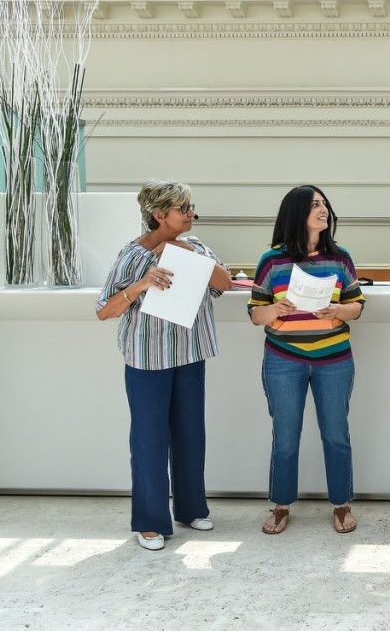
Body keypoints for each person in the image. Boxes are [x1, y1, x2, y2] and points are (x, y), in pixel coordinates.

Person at [96, 180, 233, 551]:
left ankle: (190, 509)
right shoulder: (133, 254)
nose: (191, 214)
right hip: (146, 361)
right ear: (159, 215)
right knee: (149, 441)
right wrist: (141, 284)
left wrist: (191, 254)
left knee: (191, 435)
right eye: (184, 208)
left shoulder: (197, 246)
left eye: (191, 208)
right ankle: (150, 522)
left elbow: (226, 283)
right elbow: (104, 310)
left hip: (189, 355)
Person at [249, 185, 365, 535]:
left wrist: (338, 309)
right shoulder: (272, 260)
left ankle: (341, 504)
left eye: (325, 204)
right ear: (296, 213)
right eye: (315, 205)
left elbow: (357, 306)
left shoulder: (340, 257)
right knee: (285, 437)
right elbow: (255, 314)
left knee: (336, 435)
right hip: (283, 360)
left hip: (334, 359)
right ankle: (281, 505)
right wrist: (274, 309)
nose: (323, 210)